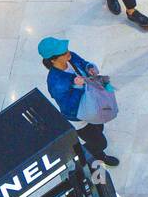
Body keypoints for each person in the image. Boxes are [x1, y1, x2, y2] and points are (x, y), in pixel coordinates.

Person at [40, 36, 119, 167]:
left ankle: (99, 155)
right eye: (63, 52)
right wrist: (77, 87)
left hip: (93, 105)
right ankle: (80, 158)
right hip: (80, 118)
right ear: (53, 60)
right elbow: (68, 108)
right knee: (100, 143)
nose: (68, 53)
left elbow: (82, 63)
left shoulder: (70, 58)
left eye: (66, 49)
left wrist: (89, 68)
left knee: (99, 128)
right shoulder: (56, 82)